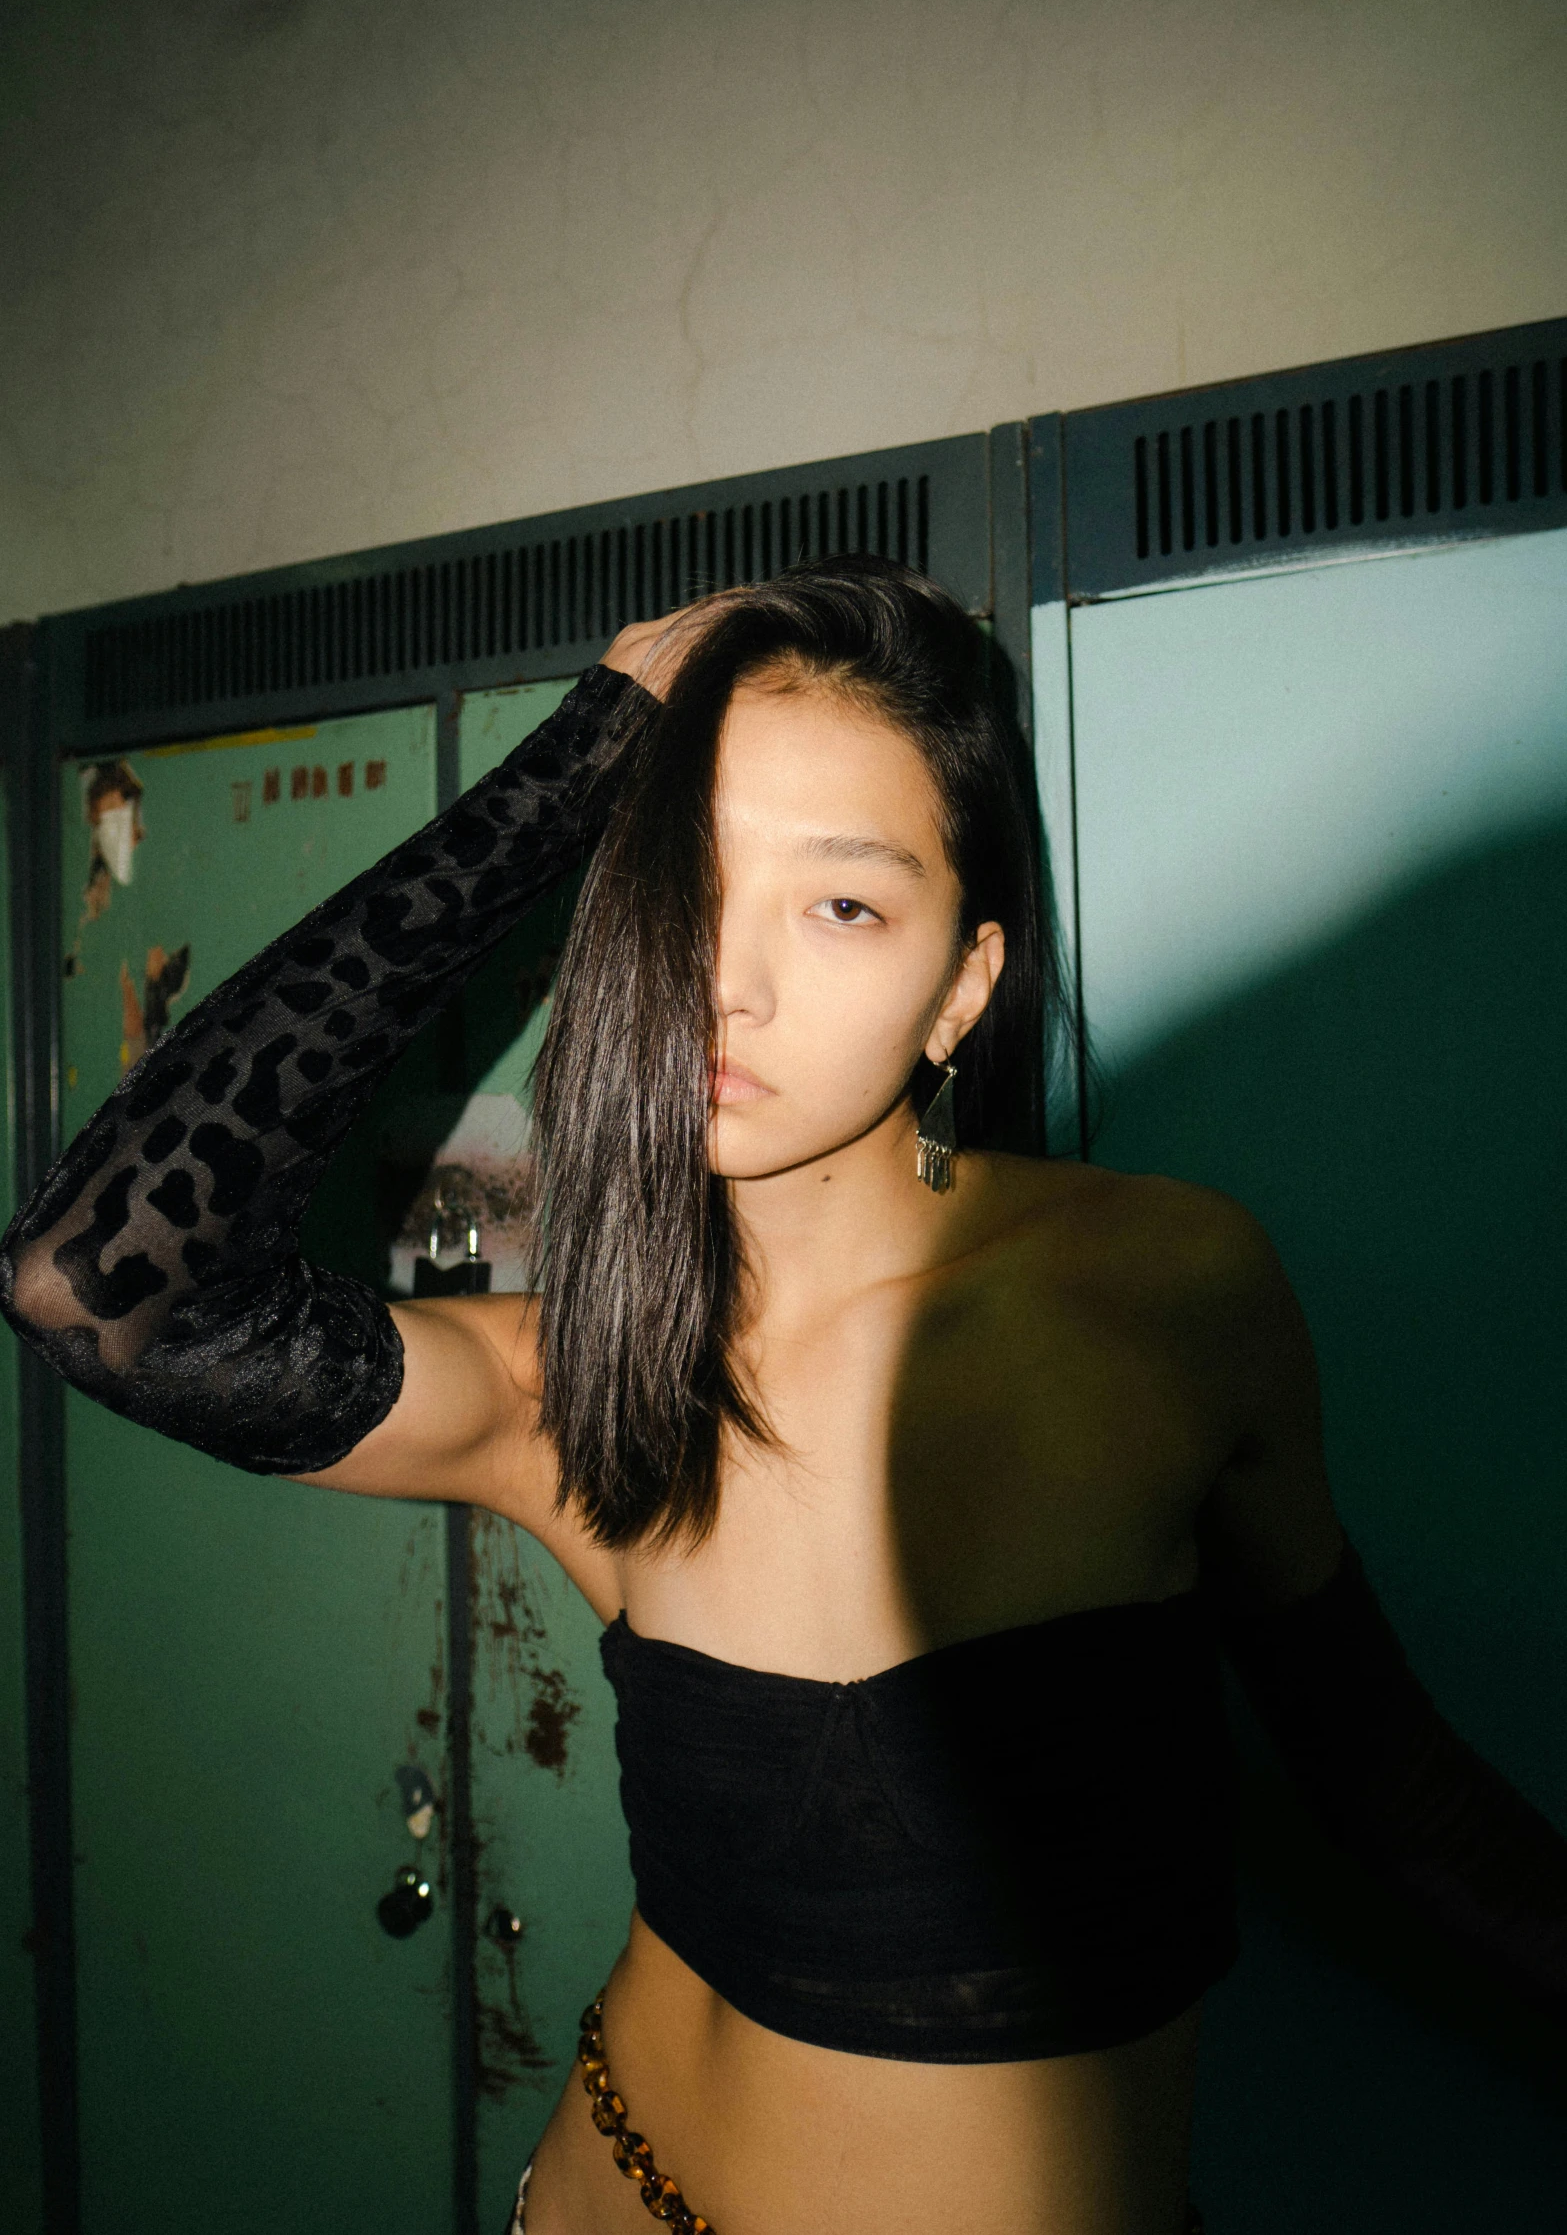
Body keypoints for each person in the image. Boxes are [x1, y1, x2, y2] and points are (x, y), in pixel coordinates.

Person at [3, 560, 1564, 2235]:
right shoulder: (579, 1381)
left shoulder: (1169, 1295)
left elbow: (1390, 1782)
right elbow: (98, 1284)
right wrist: (573, 763)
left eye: (839, 904)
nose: (720, 984)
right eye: (681, 883)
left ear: (961, 986)